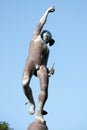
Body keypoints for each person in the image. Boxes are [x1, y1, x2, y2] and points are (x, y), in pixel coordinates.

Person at [22, 6, 55, 123]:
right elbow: (41, 22)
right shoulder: (36, 36)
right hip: (30, 62)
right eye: (46, 32)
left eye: (49, 35)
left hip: (41, 67)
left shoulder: (47, 50)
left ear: (50, 39)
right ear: (42, 33)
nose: (47, 34)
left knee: (44, 87)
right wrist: (47, 11)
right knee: (25, 83)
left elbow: (45, 62)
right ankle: (31, 103)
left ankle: (39, 112)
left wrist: (48, 70)